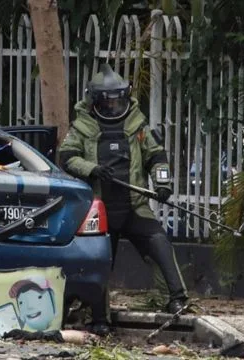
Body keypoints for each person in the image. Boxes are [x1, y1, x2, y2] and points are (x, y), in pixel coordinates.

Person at [58, 64, 188, 335]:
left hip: (135, 204)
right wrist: (92, 169)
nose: (114, 106)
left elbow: (156, 156)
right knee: (101, 262)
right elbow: (67, 157)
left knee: (160, 243)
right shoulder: (81, 126)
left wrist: (162, 183)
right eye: (109, 102)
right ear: (95, 101)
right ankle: (99, 317)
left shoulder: (137, 123)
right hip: (100, 209)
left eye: (119, 101)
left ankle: (177, 299)